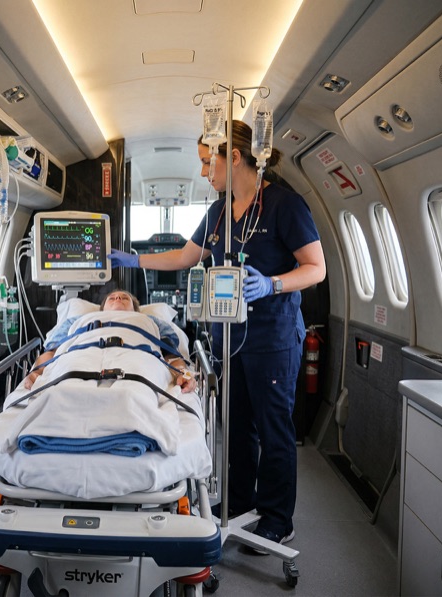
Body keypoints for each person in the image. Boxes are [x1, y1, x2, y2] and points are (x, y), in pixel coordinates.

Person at [110, 120, 326, 550]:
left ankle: (278, 519)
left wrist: (272, 284)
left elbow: (316, 268)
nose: (206, 172)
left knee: (273, 429)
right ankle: (242, 505)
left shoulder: (284, 205)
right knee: (237, 427)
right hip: (231, 337)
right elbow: (184, 257)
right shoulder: (218, 212)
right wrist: (135, 261)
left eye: (210, 163)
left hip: (274, 336)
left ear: (238, 159)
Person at [24, 290, 196, 393]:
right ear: (102, 309)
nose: (118, 299)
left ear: (136, 310)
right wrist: (37, 372)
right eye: (112, 298)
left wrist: (184, 373)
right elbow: (52, 352)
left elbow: (171, 357)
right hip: (80, 357)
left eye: (124, 298)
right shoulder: (79, 320)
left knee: (138, 391)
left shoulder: (150, 320)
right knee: (64, 388)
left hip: (137, 359)